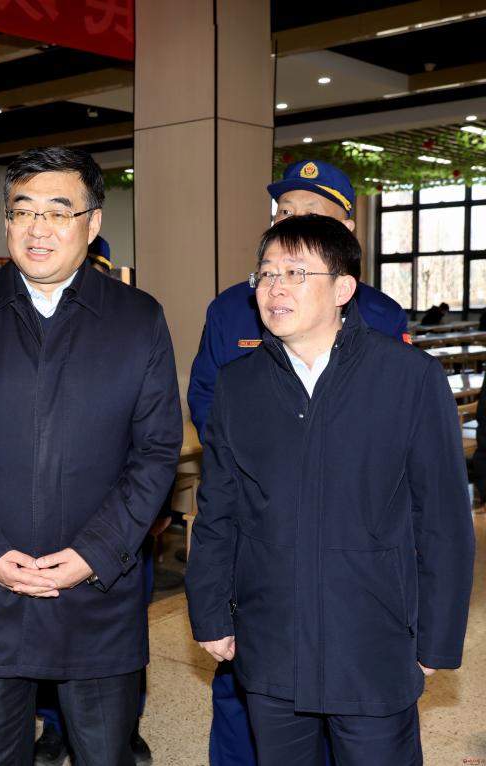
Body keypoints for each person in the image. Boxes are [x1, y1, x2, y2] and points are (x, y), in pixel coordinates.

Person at [0, 147, 182, 766]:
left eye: (58, 212)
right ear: (6, 222)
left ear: (92, 224)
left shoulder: (137, 318)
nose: (38, 228)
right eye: (23, 211)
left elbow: (155, 451)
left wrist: (93, 554)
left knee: (104, 754)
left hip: (96, 592)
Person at [186, 214, 475, 765]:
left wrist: (436, 640)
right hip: (272, 639)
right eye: (266, 273)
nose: (275, 287)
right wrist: (211, 612)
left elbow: (442, 521)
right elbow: (219, 509)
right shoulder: (239, 385)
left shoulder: (410, 378)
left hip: (372, 639)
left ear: (343, 288)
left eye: (296, 272)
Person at [33, 232, 156, 766]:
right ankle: (55, 726)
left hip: (115, 527)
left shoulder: (132, 329)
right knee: (43, 634)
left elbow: (152, 448)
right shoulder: (42, 335)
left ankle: (126, 725)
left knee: (117, 647)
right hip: (43, 527)